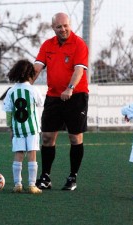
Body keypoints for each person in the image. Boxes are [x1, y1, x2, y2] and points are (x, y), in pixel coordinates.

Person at [34, 12, 89, 191]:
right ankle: (46, 176)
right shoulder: (47, 45)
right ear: (53, 28)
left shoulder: (79, 44)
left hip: (76, 96)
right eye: (59, 26)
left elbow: (79, 70)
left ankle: (73, 176)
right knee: (48, 137)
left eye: (65, 25)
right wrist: (25, 85)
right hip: (54, 97)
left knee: (75, 138)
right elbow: (37, 67)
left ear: (70, 25)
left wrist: (70, 88)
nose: (63, 29)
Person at [3, 59, 43, 194]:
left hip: (18, 129)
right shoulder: (33, 90)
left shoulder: (11, 91)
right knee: (32, 154)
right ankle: (32, 185)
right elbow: (40, 103)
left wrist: (11, 128)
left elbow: (8, 111)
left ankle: (17, 184)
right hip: (32, 128)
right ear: (30, 73)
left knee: (18, 154)